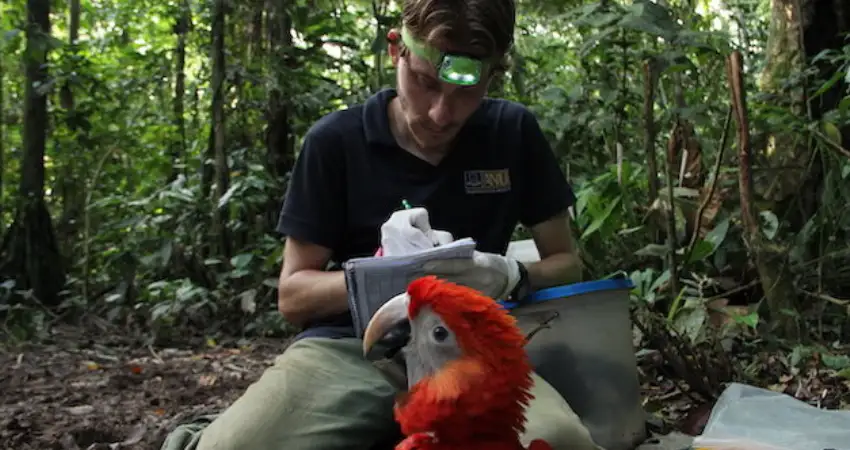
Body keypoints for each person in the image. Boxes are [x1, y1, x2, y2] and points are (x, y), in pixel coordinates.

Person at [159, 0, 601, 449]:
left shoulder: (513, 132)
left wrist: (506, 273)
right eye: (426, 84)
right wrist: (394, 275)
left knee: (560, 441)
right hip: (349, 349)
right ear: (396, 50)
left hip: (471, 354)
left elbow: (566, 263)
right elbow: (293, 295)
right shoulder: (336, 141)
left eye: (465, 92)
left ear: (493, 75)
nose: (440, 114)